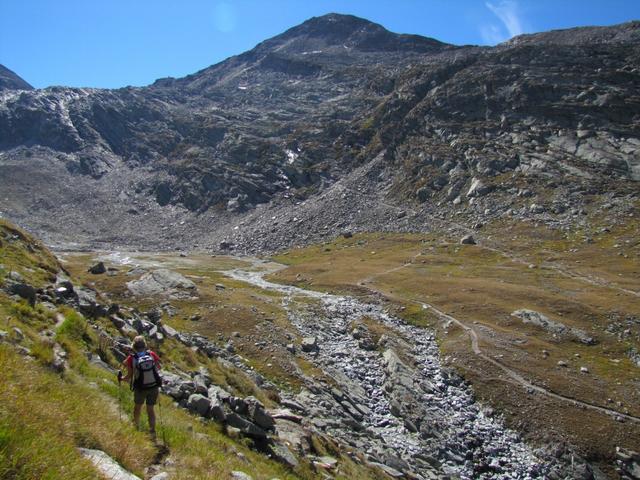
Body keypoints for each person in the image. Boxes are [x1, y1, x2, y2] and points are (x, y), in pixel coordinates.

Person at [119, 336, 162, 438]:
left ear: (133, 346)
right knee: (150, 410)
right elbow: (159, 367)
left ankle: (136, 426)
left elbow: (128, 377)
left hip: (140, 388)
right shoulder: (151, 354)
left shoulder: (131, 358)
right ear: (145, 345)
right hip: (153, 387)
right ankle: (152, 432)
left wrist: (121, 378)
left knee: (137, 407)